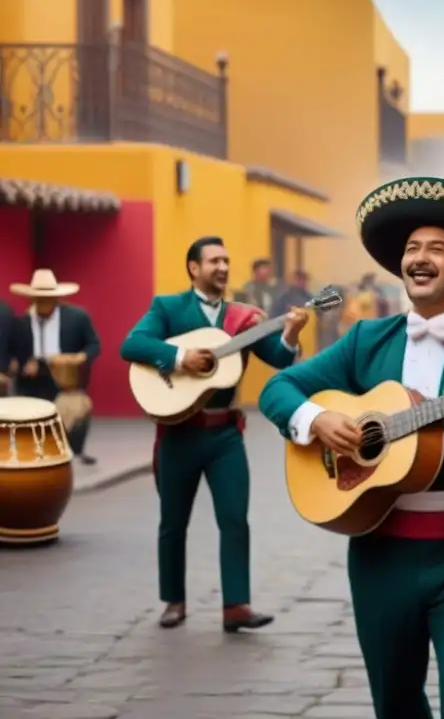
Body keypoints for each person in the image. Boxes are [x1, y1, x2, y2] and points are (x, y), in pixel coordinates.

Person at [259, 177, 444, 719]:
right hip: (380, 551)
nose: (419, 258)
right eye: (412, 249)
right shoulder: (367, 340)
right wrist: (318, 420)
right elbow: (279, 388)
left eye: (436, 249)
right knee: (394, 701)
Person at [120, 236, 309, 632]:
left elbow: (276, 357)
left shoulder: (244, 316)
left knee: (234, 518)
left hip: (225, 434)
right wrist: (179, 357)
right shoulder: (168, 308)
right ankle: (174, 600)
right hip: (178, 432)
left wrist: (290, 333)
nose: (222, 267)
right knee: (173, 521)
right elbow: (132, 344)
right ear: (194, 268)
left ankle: (236, 605)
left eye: (226, 260)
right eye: (213, 261)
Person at [9, 269, 101, 464]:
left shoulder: (77, 318)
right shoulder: (20, 323)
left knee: (76, 408)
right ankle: (35, 453)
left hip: (64, 378)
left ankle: (74, 451)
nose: (42, 303)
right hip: (31, 382)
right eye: (38, 299)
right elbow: (12, 353)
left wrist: (79, 358)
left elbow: (94, 344)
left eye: (47, 298)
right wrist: (20, 365)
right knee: (32, 418)